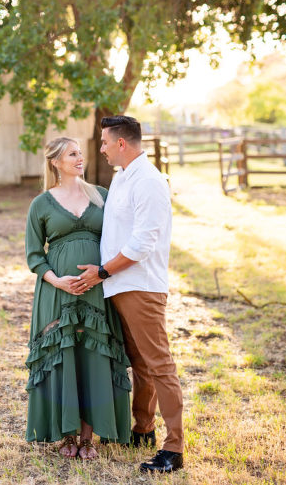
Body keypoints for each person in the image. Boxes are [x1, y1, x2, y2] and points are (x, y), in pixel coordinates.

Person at [72, 115, 184, 475]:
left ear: (122, 143)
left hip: (140, 286)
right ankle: (142, 429)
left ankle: (174, 448)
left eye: (104, 142)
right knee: (140, 363)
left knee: (159, 365)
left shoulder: (149, 181)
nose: (100, 148)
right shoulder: (122, 178)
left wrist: (102, 271)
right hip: (118, 285)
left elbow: (143, 242)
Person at [24, 136, 131, 459]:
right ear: (55, 162)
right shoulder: (41, 204)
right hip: (57, 294)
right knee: (64, 354)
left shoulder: (101, 196)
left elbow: (118, 239)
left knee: (92, 355)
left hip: (97, 290)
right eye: (72, 154)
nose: (80, 158)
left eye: (80, 153)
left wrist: (100, 272)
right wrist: (59, 281)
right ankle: (66, 434)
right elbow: (33, 256)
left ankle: (88, 436)